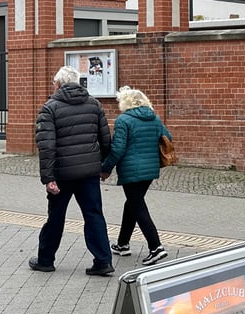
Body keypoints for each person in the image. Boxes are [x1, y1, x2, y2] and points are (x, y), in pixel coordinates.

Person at [29, 66, 114, 276]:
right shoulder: (94, 104)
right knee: (94, 215)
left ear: (58, 84)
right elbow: (105, 139)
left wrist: (48, 178)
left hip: (62, 174)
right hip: (89, 173)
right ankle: (103, 261)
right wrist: (105, 167)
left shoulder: (50, 108)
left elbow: (47, 145)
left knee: (56, 216)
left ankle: (45, 260)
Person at [101, 86, 170, 266]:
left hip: (131, 170)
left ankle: (156, 247)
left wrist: (106, 168)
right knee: (132, 204)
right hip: (150, 170)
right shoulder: (155, 118)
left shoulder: (124, 120)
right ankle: (122, 244)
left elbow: (117, 148)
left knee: (138, 206)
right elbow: (167, 137)